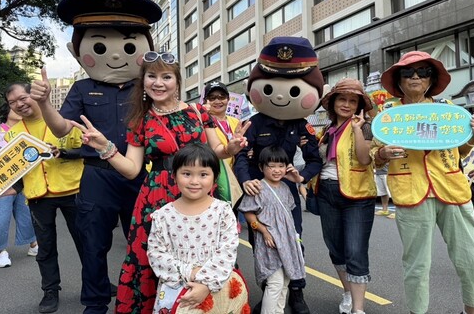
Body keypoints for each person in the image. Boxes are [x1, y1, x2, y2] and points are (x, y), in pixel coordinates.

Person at [70, 51, 250, 314]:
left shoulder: (199, 112)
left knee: (208, 248)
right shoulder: (139, 119)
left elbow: (216, 151)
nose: (158, 82)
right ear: (143, 82)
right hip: (158, 195)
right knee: (155, 258)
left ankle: (207, 302)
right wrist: (105, 147)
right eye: (151, 76)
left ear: (177, 82)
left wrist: (231, 148)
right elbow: (132, 169)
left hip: (199, 190)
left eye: (166, 76)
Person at [29, 0, 162, 314]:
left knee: (146, 243)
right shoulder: (82, 88)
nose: (116, 55)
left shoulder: (147, 88)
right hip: (97, 177)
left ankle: (146, 299)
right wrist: (45, 102)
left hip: (140, 176)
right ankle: (96, 302)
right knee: (93, 245)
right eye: (100, 46)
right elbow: (62, 128)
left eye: (129, 46)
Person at [371, 51, 474, 314]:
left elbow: (461, 152)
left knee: (471, 259)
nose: (415, 76)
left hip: (453, 190)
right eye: (407, 72)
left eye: (423, 71)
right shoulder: (388, 116)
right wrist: (381, 154)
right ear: (398, 80)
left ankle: (473, 312)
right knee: (417, 266)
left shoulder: (448, 111)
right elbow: (374, 156)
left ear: (431, 79)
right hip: (411, 192)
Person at [235, 36, 325, 314]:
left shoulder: (303, 127)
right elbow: (241, 156)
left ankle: (296, 292)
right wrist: (246, 180)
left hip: (288, 198)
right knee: (261, 243)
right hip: (259, 197)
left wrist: (302, 177)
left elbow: (314, 161)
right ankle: (269, 290)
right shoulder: (253, 124)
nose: (281, 95)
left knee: (294, 240)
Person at [4, 83, 84, 313]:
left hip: (72, 190)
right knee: (46, 248)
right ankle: (50, 291)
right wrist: (12, 187)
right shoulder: (12, 134)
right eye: (12, 102)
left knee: (86, 241)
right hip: (38, 195)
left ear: (34, 95)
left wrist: (64, 153)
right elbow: (15, 169)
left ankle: (95, 282)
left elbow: (86, 150)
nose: (19, 104)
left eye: (22, 97)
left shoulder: (65, 120)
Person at [147, 143, 249, 313]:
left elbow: (227, 251)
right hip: (176, 288)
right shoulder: (163, 215)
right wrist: (190, 273)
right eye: (186, 174)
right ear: (174, 176)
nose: (194, 181)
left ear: (215, 178)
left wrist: (206, 284)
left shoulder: (222, 211)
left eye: (203, 174)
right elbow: (156, 254)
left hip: (217, 286)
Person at [317, 78, 376, 314]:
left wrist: (355, 129)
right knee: (336, 248)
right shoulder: (326, 130)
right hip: (326, 192)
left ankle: (358, 309)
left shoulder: (365, 126)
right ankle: (348, 293)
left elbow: (364, 158)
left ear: (359, 105)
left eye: (353, 100)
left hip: (358, 196)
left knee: (355, 250)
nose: (347, 104)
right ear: (333, 103)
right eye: (342, 99)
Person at [239, 146, 306, 314]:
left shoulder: (285, 187)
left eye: (281, 166)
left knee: (284, 282)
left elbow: (289, 214)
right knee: (275, 283)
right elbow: (248, 212)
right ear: (262, 167)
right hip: (270, 242)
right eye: (272, 166)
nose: (277, 170)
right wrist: (263, 231)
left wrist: (297, 179)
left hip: (287, 241)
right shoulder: (257, 187)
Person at [0, 102, 37, 268]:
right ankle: (1, 251)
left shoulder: (29, 131)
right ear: (6, 111)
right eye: (15, 107)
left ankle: (33, 244)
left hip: (26, 181)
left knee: (28, 215)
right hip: (0, 184)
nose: (20, 109)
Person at [202, 81, 240, 167]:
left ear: (228, 99)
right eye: (212, 98)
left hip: (236, 172)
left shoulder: (236, 122)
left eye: (222, 97)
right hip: (214, 170)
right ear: (205, 101)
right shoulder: (202, 122)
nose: (217, 101)